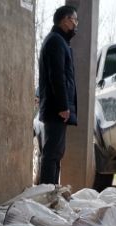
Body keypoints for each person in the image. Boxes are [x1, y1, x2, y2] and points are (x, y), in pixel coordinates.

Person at [37, 6, 79, 186]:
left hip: (56, 108)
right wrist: (63, 106)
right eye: (74, 20)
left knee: (56, 154)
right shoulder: (56, 41)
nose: (76, 24)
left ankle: (53, 193)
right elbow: (57, 76)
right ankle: (47, 196)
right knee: (52, 154)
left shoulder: (59, 41)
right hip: (56, 109)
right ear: (65, 20)